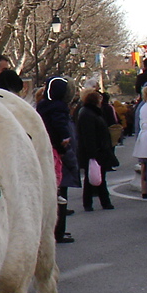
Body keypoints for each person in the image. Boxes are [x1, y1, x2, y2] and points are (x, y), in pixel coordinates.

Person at [36, 76, 76, 243]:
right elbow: (59, 123)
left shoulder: (42, 105)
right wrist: (65, 137)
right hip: (55, 146)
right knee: (57, 169)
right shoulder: (59, 107)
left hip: (46, 144)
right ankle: (57, 190)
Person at [76, 88, 116, 211]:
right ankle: (102, 202)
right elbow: (89, 135)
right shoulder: (89, 114)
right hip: (95, 151)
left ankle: (94, 202)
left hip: (96, 150)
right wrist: (93, 153)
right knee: (96, 177)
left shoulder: (89, 112)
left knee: (94, 177)